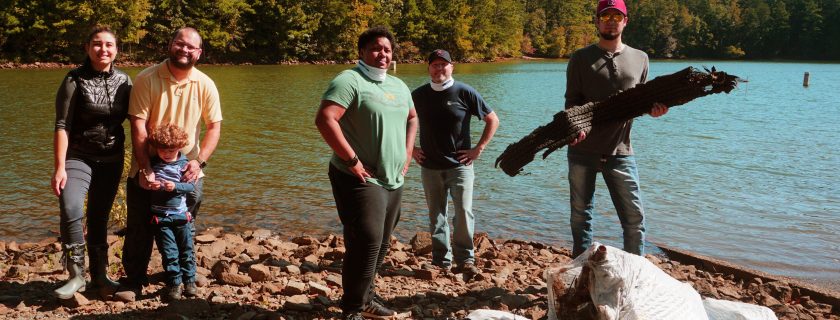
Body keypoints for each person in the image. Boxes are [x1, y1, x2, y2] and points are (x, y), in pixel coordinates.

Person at [315, 26, 418, 320]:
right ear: (362, 52)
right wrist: (352, 160)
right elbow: (325, 119)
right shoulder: (349, 80)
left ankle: (366, 298)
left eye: (387, 49)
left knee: (382, 241)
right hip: (358, 176)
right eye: (375, 48)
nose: (382, 54)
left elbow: (412, 117)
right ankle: (352, 308)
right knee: (368, 238)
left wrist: (408, 151)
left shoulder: (399, 85)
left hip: (393, 176)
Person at [118, 27, 222, 300]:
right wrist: (144, 167)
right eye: (180, 44)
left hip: (187, 167)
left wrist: (199, 163)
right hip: (149, 161)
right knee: (140, 225)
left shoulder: (205, 83)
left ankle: (179, 273)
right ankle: (135, 279)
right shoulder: (146, 78)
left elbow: (214, 128)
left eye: (191, 47)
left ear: (199, 52)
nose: (185, 50)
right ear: (170, 44)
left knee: (182, 224)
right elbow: (138, 127)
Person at [564, 0, 668, 258]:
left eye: (616, 16)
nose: (611, 20)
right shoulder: (580, 58)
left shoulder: (640, 58)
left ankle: (634, 275)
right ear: (598, 21)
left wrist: (653, 110)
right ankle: (581, 271)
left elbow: (640, 101)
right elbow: (571, 102)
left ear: (625, 21)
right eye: (605, 15)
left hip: (621, 152)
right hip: (582, 150)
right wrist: (577, 126)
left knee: (634, 220)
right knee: (580, 218)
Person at [51, 25, 131, 299]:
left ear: (117, 50)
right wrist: (60, 167)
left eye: (109, 44)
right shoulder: (74, 80)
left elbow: (140, 118)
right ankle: (76, 275)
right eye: (97, 44)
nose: (103, 49)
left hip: (112, 158)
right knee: (71, 206)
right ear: (87, 48)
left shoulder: (125, 81)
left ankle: (100, 274)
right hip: (79, 156)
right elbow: (62, 125)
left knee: (99, 216)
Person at [411, 49, 499, 277]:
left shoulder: (464, 92)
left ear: (452, 67)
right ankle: (441, 260)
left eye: (444, 65)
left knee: (463, 212)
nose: (439, 69)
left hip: (460, 166)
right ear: (428, 68)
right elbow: (403, 121)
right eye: (435, 65)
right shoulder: (418, 95)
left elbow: (492, 119)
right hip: (430, 166)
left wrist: (478, 149)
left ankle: (465, 259)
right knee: (436, 214)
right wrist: (410, 148)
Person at [147, 123, 197, 301]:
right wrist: (151, 185)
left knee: (186, 250)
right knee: (169, 252)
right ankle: (174, 283)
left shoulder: (185, 165)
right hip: (161, 218)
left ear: (180, 147)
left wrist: (175, 186)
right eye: (162, 150)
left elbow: (191, 186)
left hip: (181, 216)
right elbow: (144, 183)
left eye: (171, 150)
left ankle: (190, 281)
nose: (166, 154)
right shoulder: (153, 164)